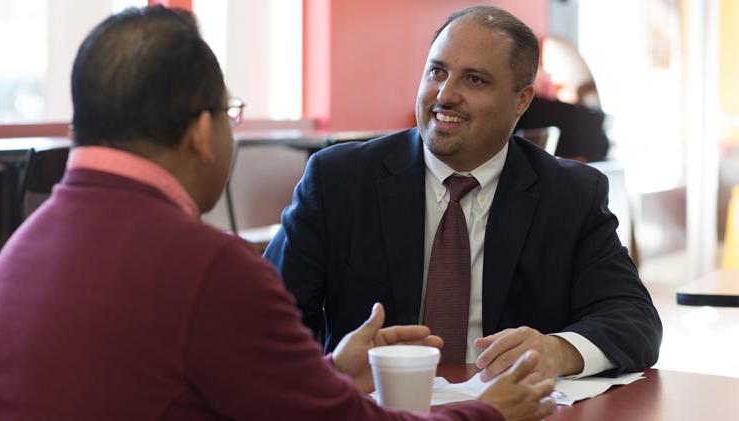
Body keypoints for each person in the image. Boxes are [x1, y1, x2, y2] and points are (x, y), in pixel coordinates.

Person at [0, 6, 556, 421]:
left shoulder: (19, 252)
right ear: (201, 134)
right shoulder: (208, 269)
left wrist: (328, 376)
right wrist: (491, 413)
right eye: (230, 114)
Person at [264, 5, 662, 382]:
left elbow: (633, 318)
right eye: (437, 72)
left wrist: (558, 351)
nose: (445, 95)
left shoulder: (570, 194)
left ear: (521, 100)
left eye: (474, 79)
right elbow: (266, 315)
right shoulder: (338, 180)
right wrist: (328, 374)